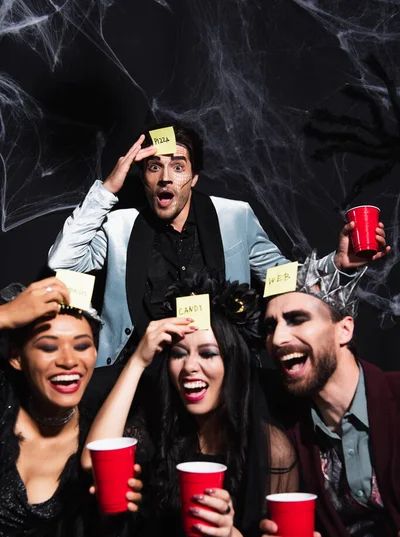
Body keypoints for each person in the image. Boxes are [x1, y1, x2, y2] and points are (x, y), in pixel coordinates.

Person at [47, 123, 389, 367]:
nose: (166, 177)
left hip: (219, 370)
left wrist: (339, 264)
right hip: (139, 370)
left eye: (178, 166)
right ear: (144, 178)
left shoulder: (234, 217)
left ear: (194, 177)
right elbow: (63, 262)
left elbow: (282, 278)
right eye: (155, 167)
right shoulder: (120, 226)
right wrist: (107, 188)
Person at [82, 275, 299, 537]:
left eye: (208, 354)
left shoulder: (271, 447)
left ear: (233, 363)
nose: (189, 368)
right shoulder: (156, 427)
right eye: (179, 354)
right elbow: (91, 461)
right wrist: (140, 360)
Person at [259, 252, 400, 537]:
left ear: (344, 329)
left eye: (296, 319)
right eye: (271, 326)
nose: (277, 339)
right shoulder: (291, 443)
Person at [0, 278, 143, 537]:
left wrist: (107, 521)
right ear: (16, 357)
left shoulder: (103, 437)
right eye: (48, 346)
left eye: (82, 345)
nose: (68, 360)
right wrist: (5, 316)